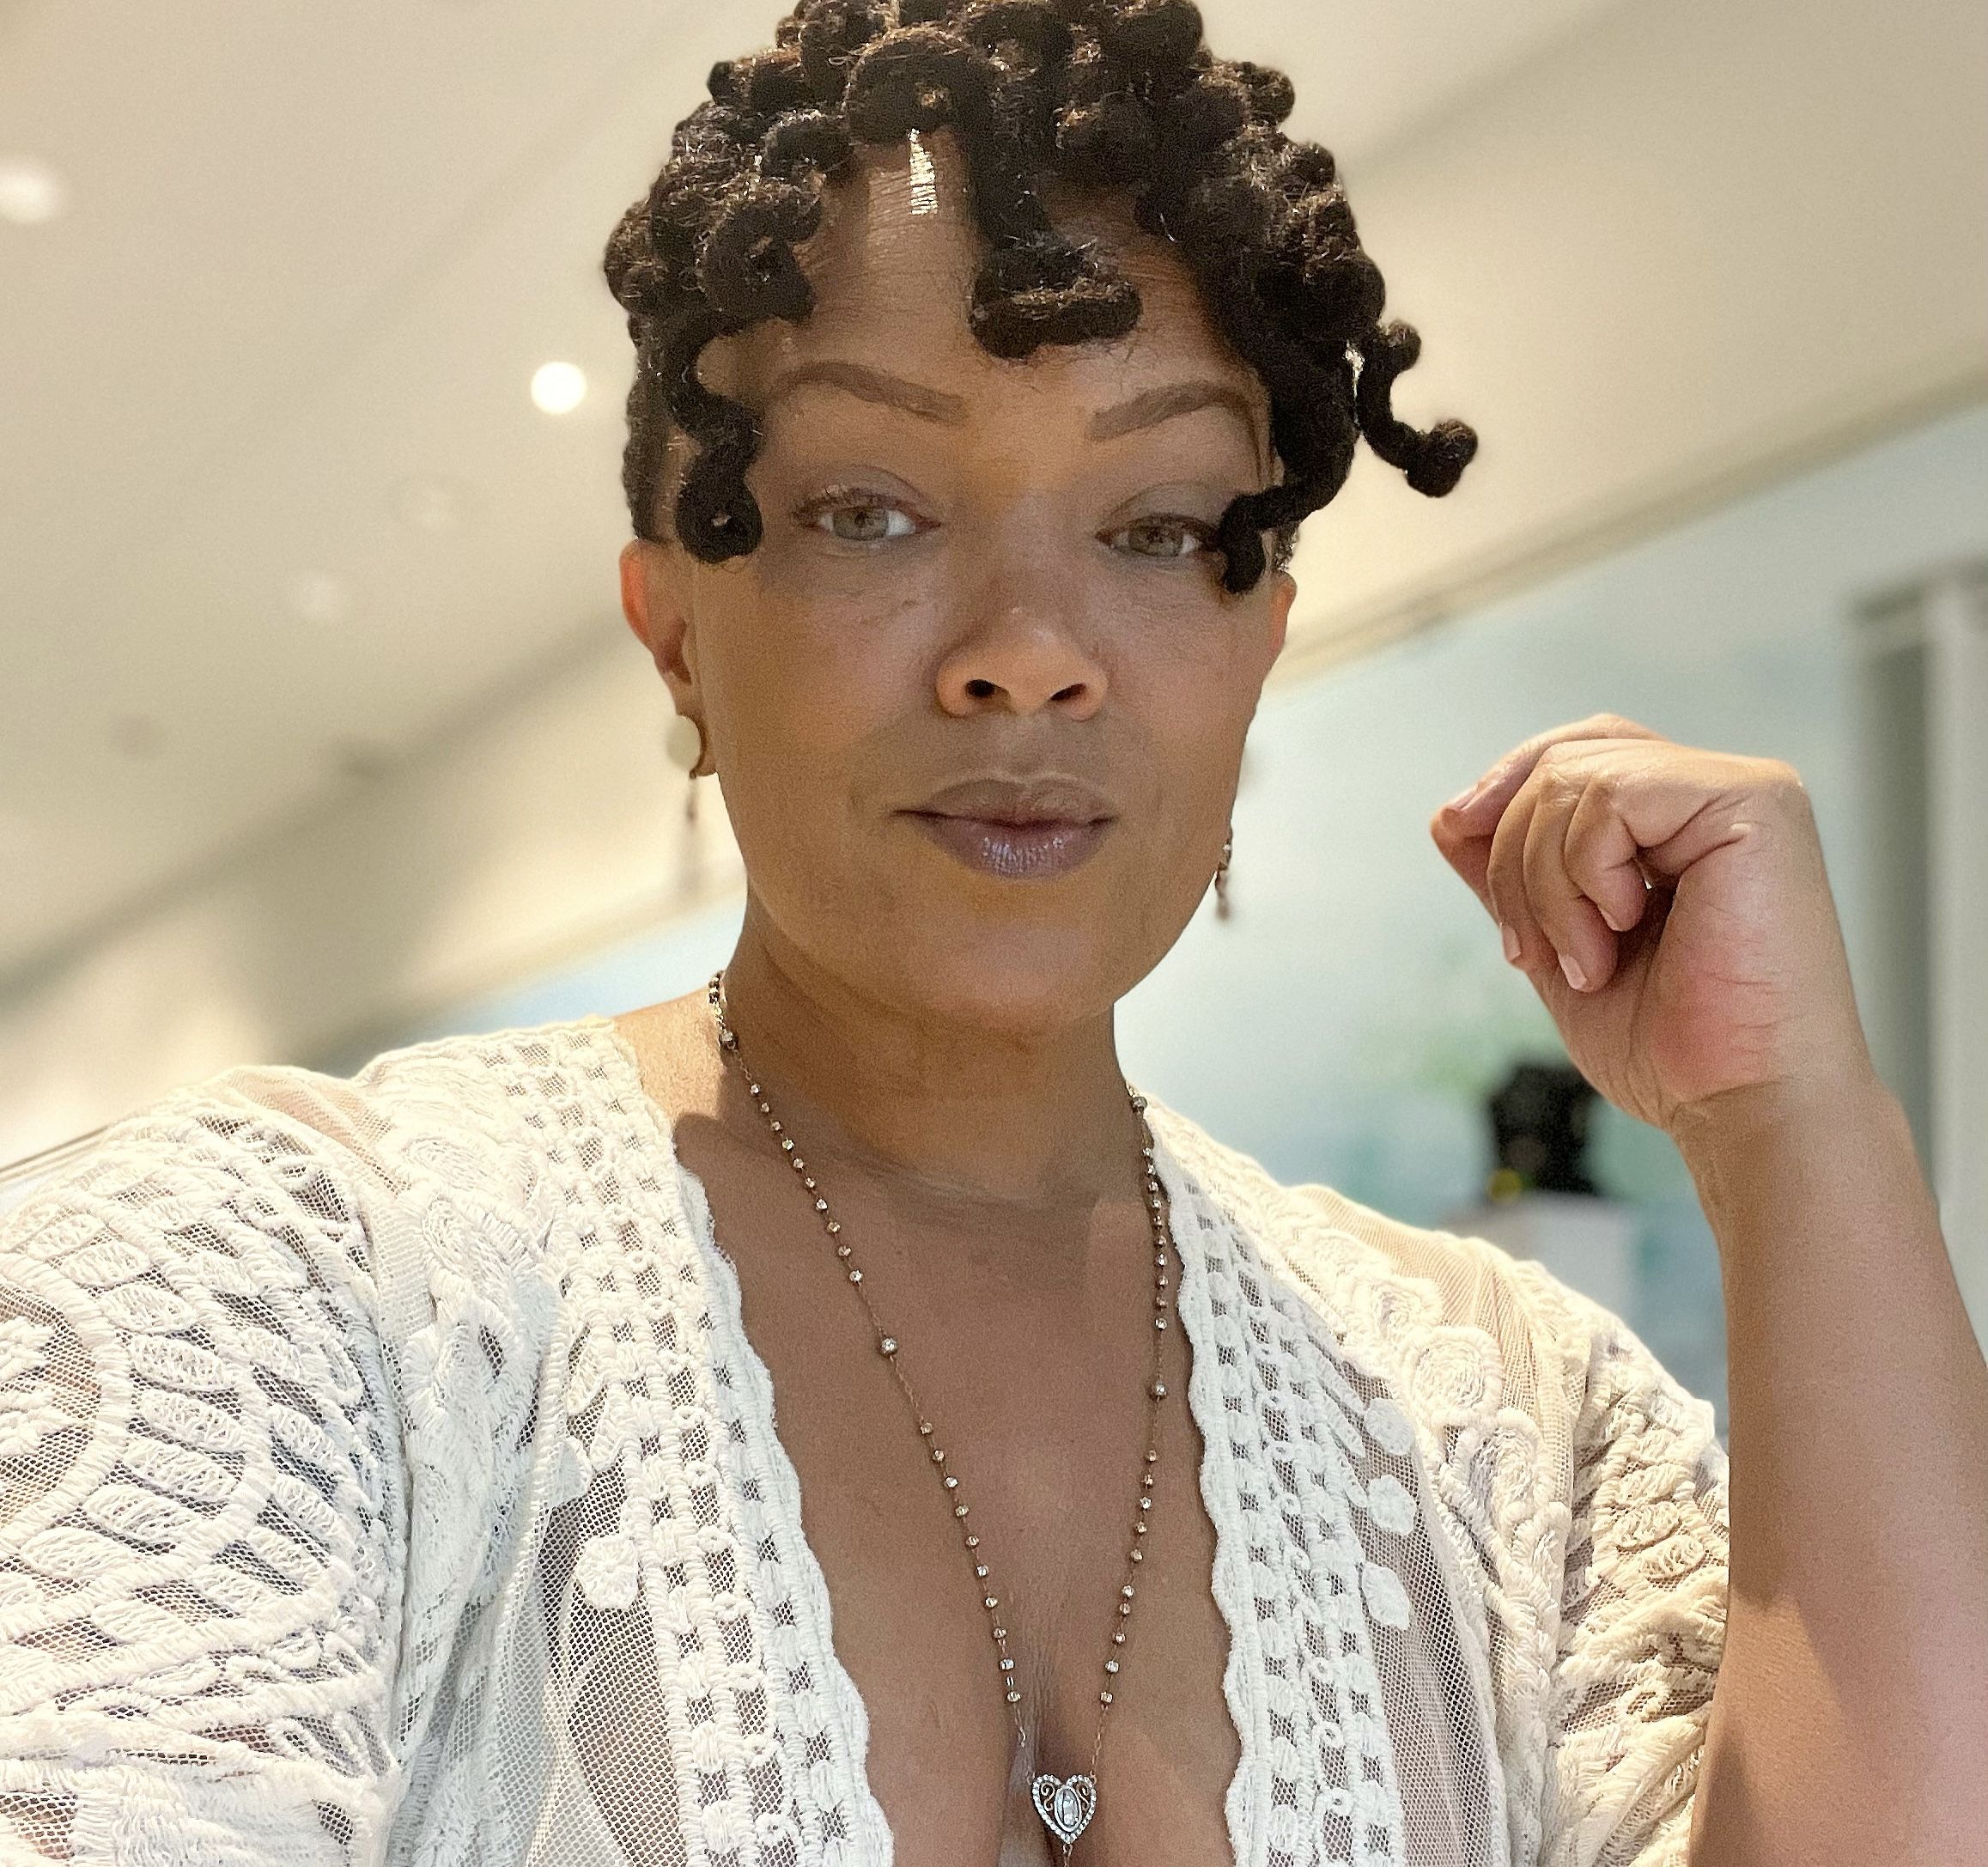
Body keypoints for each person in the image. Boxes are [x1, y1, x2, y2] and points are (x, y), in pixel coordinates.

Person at [3, 4, 1983, 1864]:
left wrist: (1789, 1121)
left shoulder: (1514, 1425)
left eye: (1159, 530)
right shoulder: (271, 1303)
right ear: (675, 630)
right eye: (872, 510)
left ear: (1261, 645)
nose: (1028, 656)